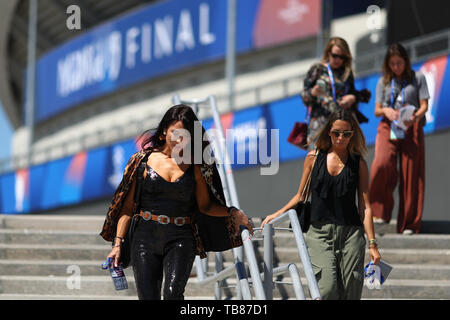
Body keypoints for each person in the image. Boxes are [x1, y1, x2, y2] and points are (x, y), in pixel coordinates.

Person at [100, 105, 253, 300]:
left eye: (186, 134)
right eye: (175, 132)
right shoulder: (141, 162)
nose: (180, 139)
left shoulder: (196, 165)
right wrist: (118, 244)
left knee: (173, 295)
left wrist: (232, 212)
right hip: (144, 238)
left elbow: (205, 206)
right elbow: (128, 208)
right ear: (164, 132)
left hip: (181, 238)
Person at [261, 109, 381, 300]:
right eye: (336, 133)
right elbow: (301, 195)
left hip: (351, 234)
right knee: (326, 290)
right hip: (318, 233)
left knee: (351, 292)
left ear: (353, 135)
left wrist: (373, 244)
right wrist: (277, 214)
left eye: (346, 134)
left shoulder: (358, 164)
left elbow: (365, 206)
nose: (341, 138)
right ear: (328, 132)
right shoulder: (313, 157)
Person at [369, 43, 429, 235]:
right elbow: (377, 109)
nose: (396, 67)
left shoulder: (417, 77)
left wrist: (415, 117)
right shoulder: (383, 82)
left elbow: (424, 105)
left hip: (411, 126)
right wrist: (386, 110)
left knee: (411, 173)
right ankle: (380, 212)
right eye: (392, 64)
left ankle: (409, 223)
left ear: (406, 61)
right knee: (381, 163)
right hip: (389, 125)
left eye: (399, 63)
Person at [300, 37, 370, 149]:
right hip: (320, 124)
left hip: (341, 123)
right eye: (335, 55)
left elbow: (353, 92)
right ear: (328, 53)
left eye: (341, 57)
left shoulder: (346, 72)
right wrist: (313, 93)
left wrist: (352, 97)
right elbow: (304, 96)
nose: (338, 59)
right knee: (319, 161)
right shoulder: (317, 69)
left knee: (344, 161)